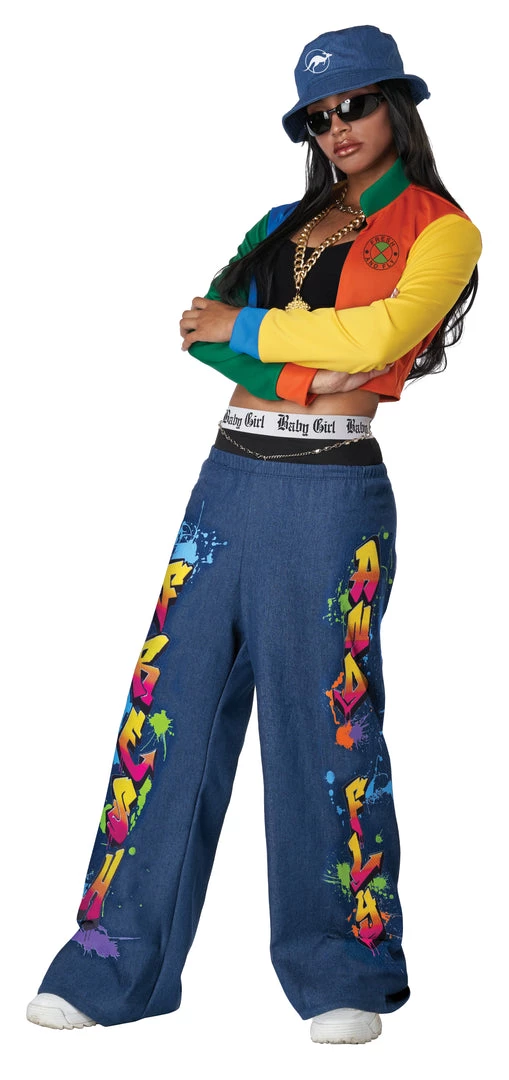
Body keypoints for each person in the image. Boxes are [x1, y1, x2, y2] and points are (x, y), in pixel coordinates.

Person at [27, 25, 481, 1044]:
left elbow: (378, 336)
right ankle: (111, 962)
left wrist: (253, 335)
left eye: (353, 106)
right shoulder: (279, 224)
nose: (336, 128)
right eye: (317, 117)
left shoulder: (442, 230)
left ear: (394, 106)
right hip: (225, 482)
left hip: (330, 495)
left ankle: (343, 965)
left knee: (325, 721)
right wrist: (307, 369)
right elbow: (197, 329)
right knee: (165, 707)